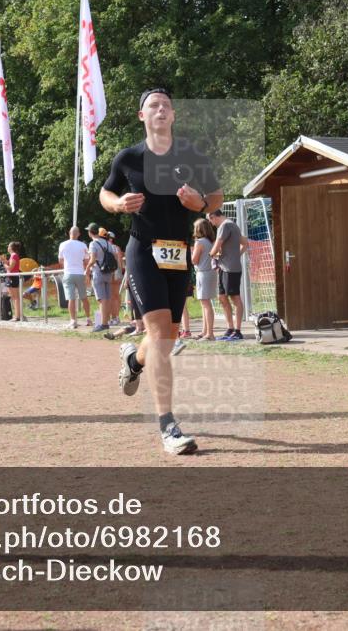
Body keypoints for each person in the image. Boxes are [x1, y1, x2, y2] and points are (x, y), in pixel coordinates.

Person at [100, 87, 224, 455]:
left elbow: (216, 196)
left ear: (173, 115)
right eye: (153, 105)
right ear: (142, 116)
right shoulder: (129, 158)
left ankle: (132, 359)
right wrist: (119, 204)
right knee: (158, 334)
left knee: (165, 338)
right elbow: (105, 194)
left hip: (179, 253)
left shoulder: (191, 155)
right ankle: (168, 425)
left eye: (166, 105)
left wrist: (201, 203)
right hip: (143, 251)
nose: (161, 110)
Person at [207, 209, 247, 340]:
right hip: (223, 268)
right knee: (222, 297)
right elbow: (245, 243)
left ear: (213, 216)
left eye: (210, 220)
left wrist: (210, 255)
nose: (211, 223)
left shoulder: (225, 226)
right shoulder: (232, 225)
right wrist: (235, 255)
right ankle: (230, 328)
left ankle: (238, 330)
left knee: (235, 298)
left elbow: (216, 246)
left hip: (231, 269)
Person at [86, 223, 118, 332]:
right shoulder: (108, 243)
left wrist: (87, 269)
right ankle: (106, 321)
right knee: (107, 298)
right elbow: (114, 257)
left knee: (102, 299)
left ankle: (103, 324)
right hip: (108, 272)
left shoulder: (93, 244)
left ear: (90, 232)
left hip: (98, 272)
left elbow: (92, 259)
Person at [58, 227, 91, 328]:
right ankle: (88, 319)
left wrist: (67, 265)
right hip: (80, 273)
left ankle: (73, 320)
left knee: (71, 299)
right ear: (79, 234)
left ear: (69, 233)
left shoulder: (62, 244)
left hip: (68, 273)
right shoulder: (83, 245)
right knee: (84, 298)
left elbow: (60, 260)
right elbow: (86, 261)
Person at [191, 218, 217, 341]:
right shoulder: (211, 241)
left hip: (203, 273)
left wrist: (191, 254)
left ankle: (210, 334)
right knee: (205, 303)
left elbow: (194, 260)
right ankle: (205, 331)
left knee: (206, 304)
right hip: (211, 272)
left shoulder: (200, 242)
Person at [3, 241, 23, 321]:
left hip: (12, 277)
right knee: (14, 297)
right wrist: (4, 261)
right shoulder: (13, 255)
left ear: (11, 248)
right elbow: (10, 266)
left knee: (15, 297)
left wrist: (3, 264)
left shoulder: (14, 255)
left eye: (8, 246)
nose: (7, 248)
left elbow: (10, 268)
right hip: (11, 277)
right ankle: (18, 315)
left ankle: (17, 316)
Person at [107, 230, 124, 325]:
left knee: (110, 296)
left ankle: (112, 317)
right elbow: (120, 263)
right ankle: (116, 317)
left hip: (109, 273)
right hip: (117, 272)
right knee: (117, 295)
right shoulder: (117, 248)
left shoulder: (105, 246)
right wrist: (120, 274)